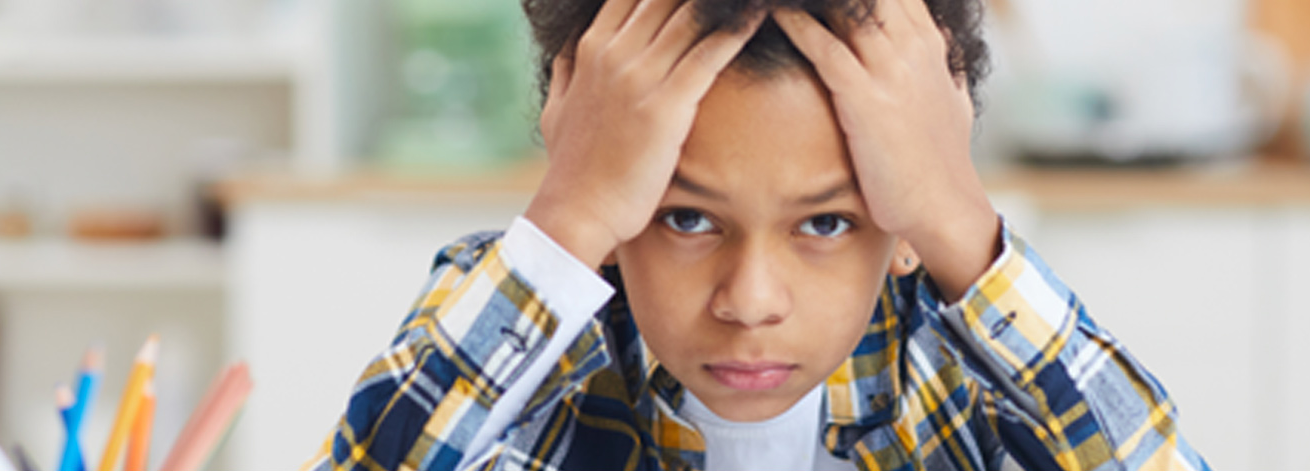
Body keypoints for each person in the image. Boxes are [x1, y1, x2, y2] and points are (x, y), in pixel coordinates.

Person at [309, 0, 1209, 469]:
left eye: (824, 222)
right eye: (687, 217)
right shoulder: (518, 347)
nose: (750, 302)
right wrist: (570, 214)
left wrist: (955, 218)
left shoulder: (967, 379)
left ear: (903, 222)